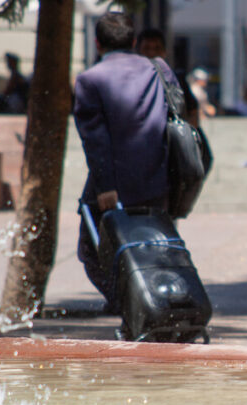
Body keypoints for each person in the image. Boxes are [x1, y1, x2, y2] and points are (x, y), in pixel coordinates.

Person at [73, 12, 180, 313]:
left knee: (91, 250)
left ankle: (133, 308)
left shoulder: (89, 79)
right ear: (134, 41)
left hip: (113, 185)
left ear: (97, 43)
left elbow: (94, 138)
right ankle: (161, 305)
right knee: (157, 248)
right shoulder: (158, 69)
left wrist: (106, 186)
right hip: (159, 179)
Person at [137, 28, 200, 127]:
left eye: (157, 48)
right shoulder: (132, 81)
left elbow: (193, 112)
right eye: (147, 48)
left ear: (164, 52)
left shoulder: (177, 80)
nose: (152, 53)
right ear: (138, 52)